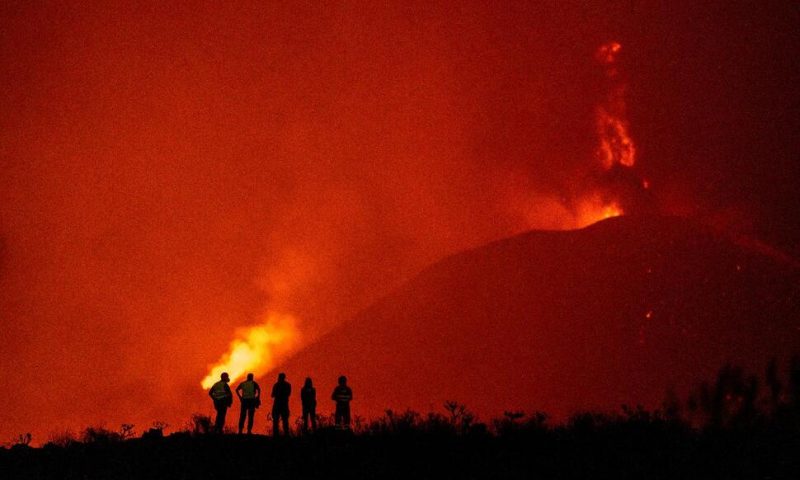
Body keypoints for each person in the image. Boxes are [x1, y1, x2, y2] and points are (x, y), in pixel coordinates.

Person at [271, 372, 292, 436]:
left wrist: (278, 394)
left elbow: (272, 395)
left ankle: (276, 435)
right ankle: (286, 434)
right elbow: (288, 394)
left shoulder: (276, 385)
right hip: (284, 404)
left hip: (277, 404)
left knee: (276, 420)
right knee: (285, 420)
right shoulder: (288, 385)